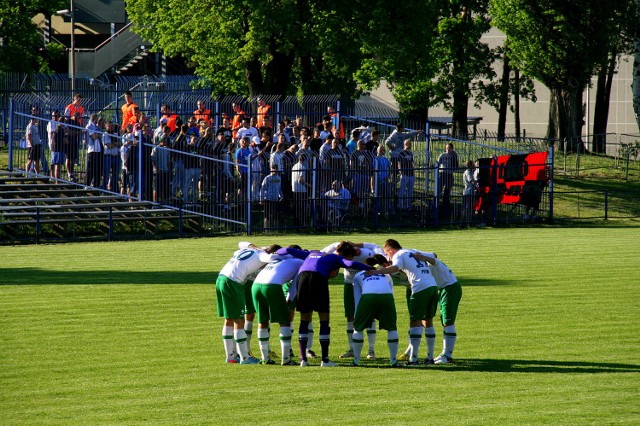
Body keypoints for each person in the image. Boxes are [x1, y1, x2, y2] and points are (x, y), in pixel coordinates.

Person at [276, 245, 373, 367]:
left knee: (304, 319)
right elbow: (349, 264)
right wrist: (370, 268)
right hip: (318, 278)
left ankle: (303, 360)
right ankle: (325, 360)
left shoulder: (311, 253)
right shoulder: (334, 258)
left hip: (302, 278)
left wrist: (274, 250)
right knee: (324, 320)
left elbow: (288, 250)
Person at [365, 239, 438, 365]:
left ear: (391, 250)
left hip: (420, 288)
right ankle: (429, 358)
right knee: (428, 321)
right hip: (432, 285)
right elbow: (434, 255)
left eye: (387, 254)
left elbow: (394, 267)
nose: (388, 257)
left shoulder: (398, 254)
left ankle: (413, 359)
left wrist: (376, 271)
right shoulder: (412, 250)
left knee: (415, 321)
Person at [216, 242, 280, 364]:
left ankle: (231, 357)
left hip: (221, 278)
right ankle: (245, 357)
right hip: (232, 282)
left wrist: (255, 247)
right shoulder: (264, 256)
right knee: (239, 320)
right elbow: (272, 258)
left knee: (229, 318)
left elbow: (241, 243)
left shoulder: (251, 250)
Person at [321, 241, 384, 360]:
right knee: (350, 316)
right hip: (349, 284)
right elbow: (321, 253)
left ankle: (371, 350)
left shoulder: (366, 254)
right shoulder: (336, 251)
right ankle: (352, 349)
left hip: (365, 284)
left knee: (369, 316)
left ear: (353, 255)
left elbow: (375, 247)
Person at [251, 250, 304, 365]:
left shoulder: (278, 259)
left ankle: (265, 359)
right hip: (272, 286)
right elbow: (295, 285)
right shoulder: (301, 263)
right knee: (285, 321)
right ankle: (286, 360)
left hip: (255, 286)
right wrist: (289, 301)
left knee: (262, 321)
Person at [410, 252, 462, 364]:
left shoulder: (429, 264)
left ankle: (447, 355)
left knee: (448, 321)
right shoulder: (422, 266)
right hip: (445, 288)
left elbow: (434, 259)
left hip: (449, 287)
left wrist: (424, 257)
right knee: (445, 320)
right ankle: (445, 354)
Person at [351, 255, 400, 367]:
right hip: (387, 298)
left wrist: (356, 316)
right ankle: (393, 360)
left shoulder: (358, 275)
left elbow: (357, 297)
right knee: (392, 328)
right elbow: (391, 293)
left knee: (358, 329)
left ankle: (356, 360)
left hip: (367, 297)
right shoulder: (386, 275)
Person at [437, 142, 459, 212]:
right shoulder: (442, 155)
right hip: (442, 173)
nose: (448, 150)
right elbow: (437, 163)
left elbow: (456, 165)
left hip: (449, 173)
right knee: (439, 188)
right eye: (447, 148)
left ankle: (445, 202)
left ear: (452, 149)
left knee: (448, 188)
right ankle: (436, 202)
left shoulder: (454, 155)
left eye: (449, 148)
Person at [260, 164, 283, 231]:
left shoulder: (279, 178)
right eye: (273, 168)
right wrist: (261, 199)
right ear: (271, 169)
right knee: (267, 215)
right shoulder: (267, 178)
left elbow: (279, 188)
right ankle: (266, 230)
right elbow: (262, 188)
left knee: (276, 215)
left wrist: (281, 196)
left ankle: (276, 230)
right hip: (268, 198)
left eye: (275, 168)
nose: (274, 170)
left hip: (275, 199)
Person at [85, 114, 103, 188]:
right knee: (90, 168)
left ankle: (96, 185)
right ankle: (87, 184)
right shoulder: (89, 126)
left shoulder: (96, 127)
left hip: (98, 150)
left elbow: (100, 135)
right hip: (92, 150)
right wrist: (97, 135)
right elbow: (94, 136)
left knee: (98, 168)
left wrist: (98, 135)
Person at [397, 139, 415, 211]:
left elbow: (412, 163)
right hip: (405, 173)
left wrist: (413, 172)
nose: (411, 145)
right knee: (402, 190)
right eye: (409, 144)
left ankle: (408, 204)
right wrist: (401, 172)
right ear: (406, 144)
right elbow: (399, 163)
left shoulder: (410, 153)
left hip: (411, 174)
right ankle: (400, 205)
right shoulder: (401, 153)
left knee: (410, 191)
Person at [47, 111, 64, 181]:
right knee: (53, 161)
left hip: (59, 144)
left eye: (56, 116)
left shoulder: (60, 123)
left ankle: (55, 177)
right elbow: (52, 132)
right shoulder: (51, 122)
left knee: (56, 161)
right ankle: (52, 175)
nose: (54, 117)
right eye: (53, 116)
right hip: (52, 143)